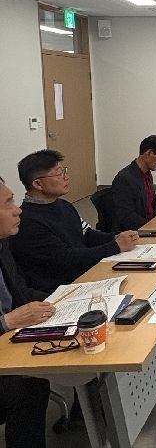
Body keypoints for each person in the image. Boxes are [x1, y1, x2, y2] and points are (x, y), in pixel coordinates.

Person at [9, 150, 139, 294]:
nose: (66, 177)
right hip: (61, 289)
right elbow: (66, 260)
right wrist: (115, 246)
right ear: (38, 184)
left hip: (84, 273)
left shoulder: (64, 205)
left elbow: (87, 235)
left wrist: (116, 237)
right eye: (59, 173)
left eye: (64, 171)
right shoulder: (28, 221)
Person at [0, 176, 55, 448]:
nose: (18, 209)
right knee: (28, 387)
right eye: (8, 203)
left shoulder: (3, 245)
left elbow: (21, 291)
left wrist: (62, 300)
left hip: (10, 340)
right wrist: (7, 321)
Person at [111, 135, 156, 231]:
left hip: (150, 226)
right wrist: (153, 227)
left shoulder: (147, 174)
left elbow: (154, 204)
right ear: (149, 153)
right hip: (136, 232)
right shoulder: (125, 179)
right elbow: (127, 217)